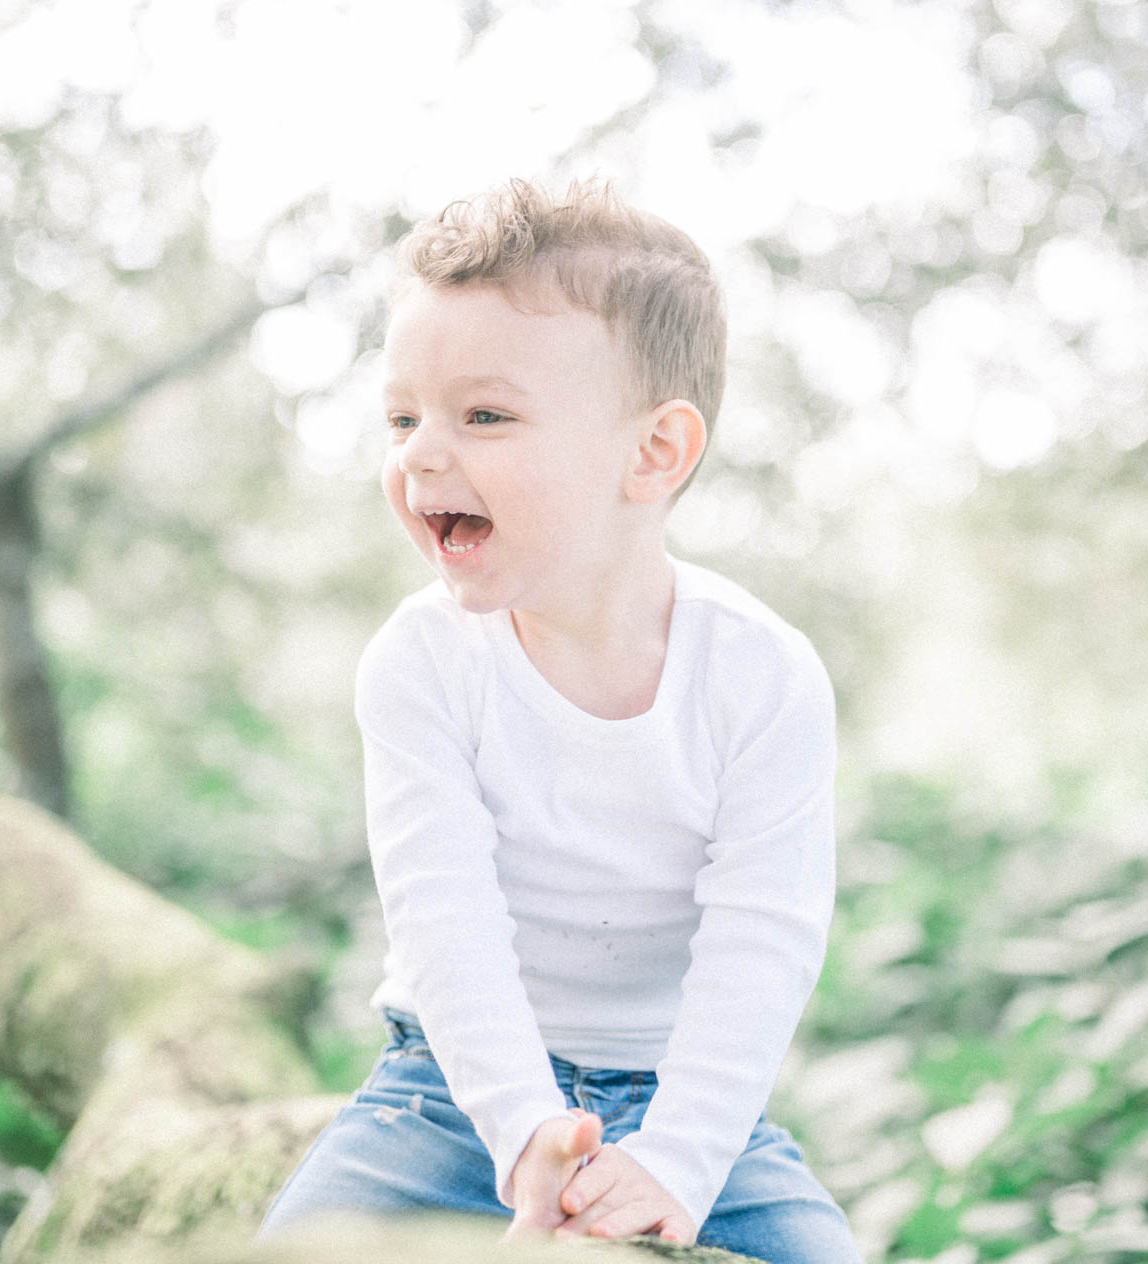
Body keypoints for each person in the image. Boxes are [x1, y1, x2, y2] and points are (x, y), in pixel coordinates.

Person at [256, 179, 858, 1263]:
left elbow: (762, 943)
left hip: (680, 1099)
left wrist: (677, 1156)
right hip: (445, 1091)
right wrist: (523, 1126)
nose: (421, 455)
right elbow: (446, 928)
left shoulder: (761, 675)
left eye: (483, 414)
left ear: (654, 453)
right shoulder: (422, 663)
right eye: (403, 417)